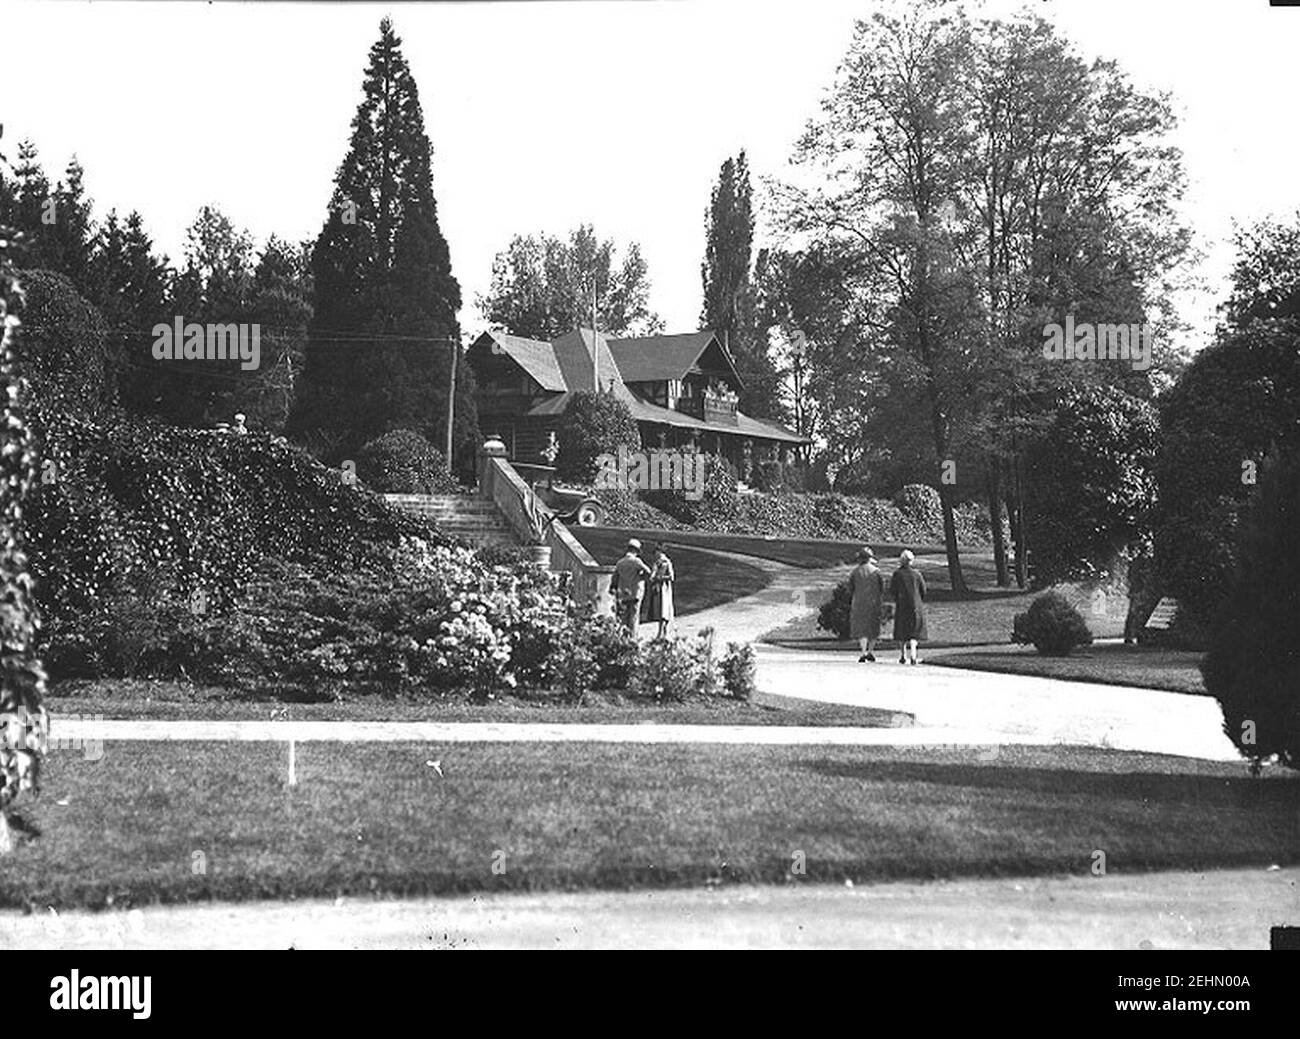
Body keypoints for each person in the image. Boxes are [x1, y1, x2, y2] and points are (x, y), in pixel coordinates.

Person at [889, 549, 928, 664]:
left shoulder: (897, 574)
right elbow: (923, 590)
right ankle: (913, 655)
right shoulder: (917, 574)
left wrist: (897, 599)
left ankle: (903, 655)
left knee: (902, 630)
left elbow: (892, 590)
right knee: (914, 631)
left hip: (902, 605)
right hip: (915, 605)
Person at [848, 546, 885, 662]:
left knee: (861, 628)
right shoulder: (876, 572)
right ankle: (870, 651)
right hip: (874, 602)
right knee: (873, 627)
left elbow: (851, 588)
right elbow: (882, 588)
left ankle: (863, 652)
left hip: (859, 602)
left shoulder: (855, 572)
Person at [609, 539, 652, 634]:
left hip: (623, 593)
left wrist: (613, 588)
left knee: (624, 618)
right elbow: (648, 572)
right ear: (635, 551)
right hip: (635, 592)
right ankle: (633, 638)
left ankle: (624, 638)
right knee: (634, 617)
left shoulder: (620, 563)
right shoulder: (636, 561)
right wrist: (642, 577)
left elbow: (614, 579)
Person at [642, 543, 676, 639]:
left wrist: (660, 577)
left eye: (656, 552)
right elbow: (652, 575)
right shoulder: (656, 563)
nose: (655, 554)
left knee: (664, 609)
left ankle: (665, 632)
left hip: (664, 589)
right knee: (658, 610)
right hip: (657, 588)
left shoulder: (666, 562)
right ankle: (660, 631)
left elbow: (671, 577)